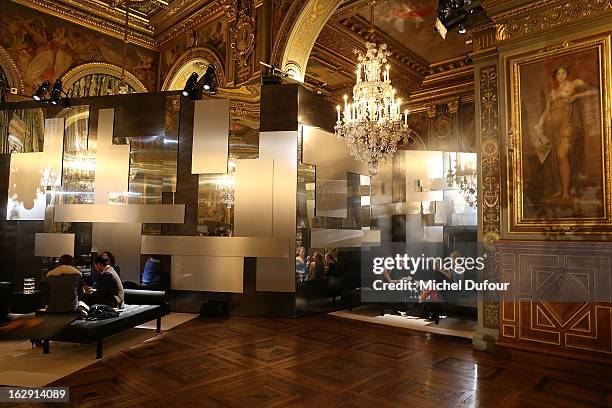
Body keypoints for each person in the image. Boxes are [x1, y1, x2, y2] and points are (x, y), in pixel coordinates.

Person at [533, 64, 598, 201]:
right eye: (558, 74)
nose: (560, 76)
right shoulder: (553, 92)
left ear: (566, 74)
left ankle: (566, 192)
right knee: (555, 159)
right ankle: (560, 190)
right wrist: (539, 126)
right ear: (555, 76)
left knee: (562, 155)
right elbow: (547, 111)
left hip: (568, 123)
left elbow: (595, 91)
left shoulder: (575, 84)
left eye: (563, 73)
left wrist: (577, 96)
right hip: (552, 128)